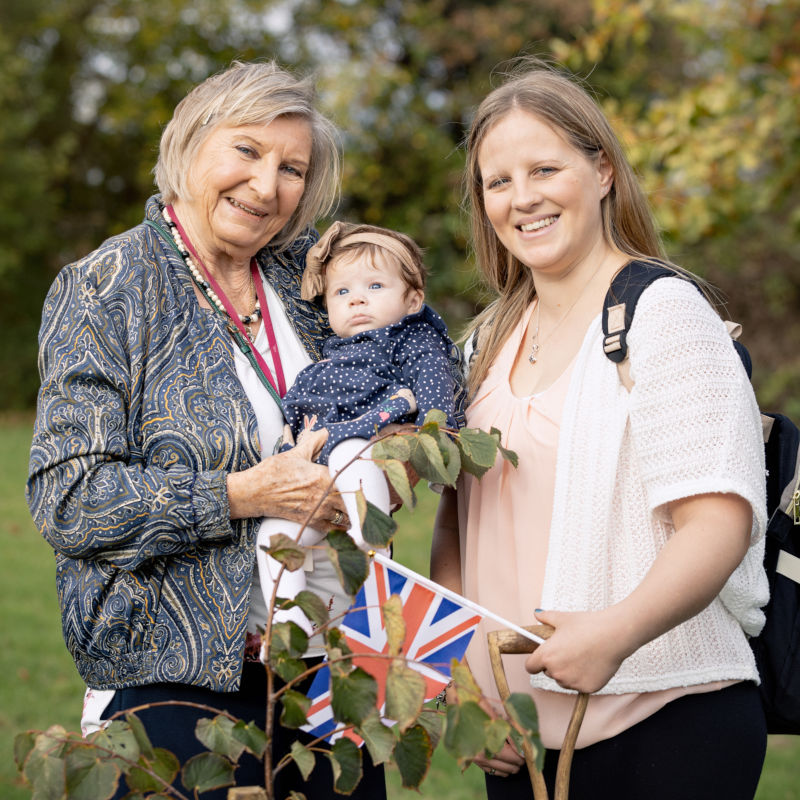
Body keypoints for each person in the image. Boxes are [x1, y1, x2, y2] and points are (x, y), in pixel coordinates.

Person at [27, 60, 399, 799]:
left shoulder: (311, 279)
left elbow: (391, 369)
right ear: (189, 144)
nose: (267, 186)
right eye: (247, 151)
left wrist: (389, 454)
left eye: (292, 168)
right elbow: (68, 496)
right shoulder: (107, 287)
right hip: (175, 685)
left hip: (331, 671)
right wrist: (245, 493)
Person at [430, 58, 769, 800]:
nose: (523, 199)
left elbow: (718, 521)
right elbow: (455, 530)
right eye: (499, 181)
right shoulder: (484, 341)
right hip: (518, 741)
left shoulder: (664, 313)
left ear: (604, 170)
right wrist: (462, 676)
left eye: (545, 168)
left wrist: (613, 633)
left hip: (668, 722)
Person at [256, 220, 458, 636]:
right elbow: (294, 424)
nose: (357, 300)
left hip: (368, 452)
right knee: (273, 538)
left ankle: (375, 563)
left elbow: (429, 399)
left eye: (375, 287)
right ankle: (286, 628)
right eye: (342, 292)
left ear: (414, 298)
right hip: (319, 481)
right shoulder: (323, 363)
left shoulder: (411, 341)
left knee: (350, 450)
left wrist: (437, 446)